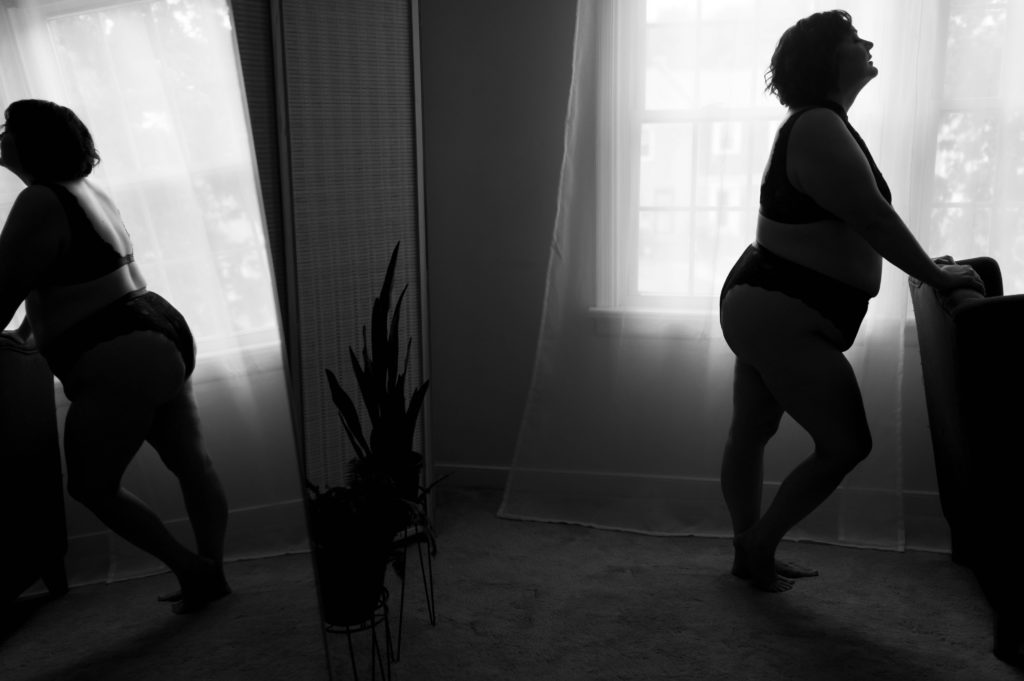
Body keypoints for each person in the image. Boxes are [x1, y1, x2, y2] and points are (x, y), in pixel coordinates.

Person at [719, 11, 984, 595]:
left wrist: (929, 267)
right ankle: (757, 545)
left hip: (771, 303)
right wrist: (937, 279)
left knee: (753, 430)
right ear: (826, 59)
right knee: (846, 444)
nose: (866, 44)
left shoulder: (824, 123)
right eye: (852, 39)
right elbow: (872, 219)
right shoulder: (816, 124)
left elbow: (861, 218)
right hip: (779, 304)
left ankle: (747, 547)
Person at [0, 99, 230, 614]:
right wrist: (24, 334)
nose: (1, 136)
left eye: (7, 128)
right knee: (192, 462)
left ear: (29, 143)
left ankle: (193, 570)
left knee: (90, 485)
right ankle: (211, 568)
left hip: (120, 351)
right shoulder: (87, 191)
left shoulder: (38, 200)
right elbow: (67, 277)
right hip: (156, 329)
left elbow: (4, 290)